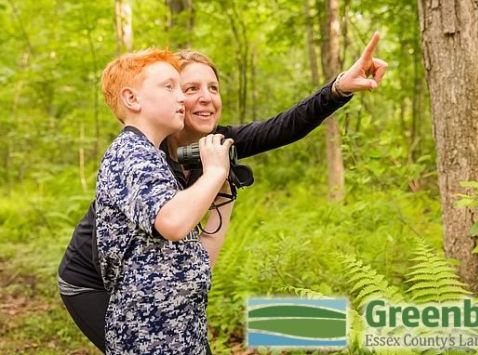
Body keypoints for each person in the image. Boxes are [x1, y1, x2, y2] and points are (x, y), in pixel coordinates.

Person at [58, 33, 387, 353]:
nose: (205, 97)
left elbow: (284, 126)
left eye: (213, 88)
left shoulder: (214, 144)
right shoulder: (140, 154)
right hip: (95, 281)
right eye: (187, 88)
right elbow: (168, 223)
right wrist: (213, 175)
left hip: (159, 283)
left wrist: (339, 88)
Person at [94, 48, 235, 353]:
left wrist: (223, 194)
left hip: (183, 335)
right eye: (169, 87)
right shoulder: (129, 154)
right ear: (133, 99)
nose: (182, 98)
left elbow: (195, 259)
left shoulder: (154, 160)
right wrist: (213, 172)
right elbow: (172, 223)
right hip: (149, 339)